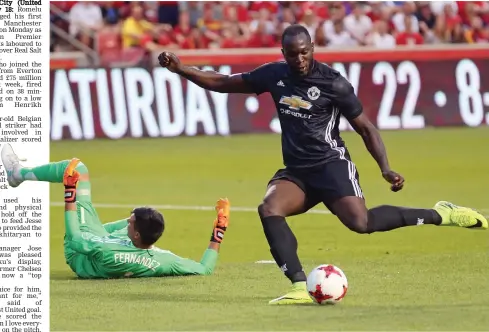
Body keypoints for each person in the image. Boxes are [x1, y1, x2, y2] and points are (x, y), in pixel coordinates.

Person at [158, 24, 487, 305]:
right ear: (283, 52)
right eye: (292, 54)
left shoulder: (335, 84)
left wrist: (385, 167)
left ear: (312, 48)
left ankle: (441, 213)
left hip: (331, 166)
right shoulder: (274, 75)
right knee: (269, 208)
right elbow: (222, 82)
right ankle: (300, 286)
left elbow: (366, 128)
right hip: (297, 172)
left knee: (362, 223)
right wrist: (181, 69)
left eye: (303, 52)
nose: (299, 59)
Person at [1, 143, 230, 279]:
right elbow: (203, 269)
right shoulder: (163, 259)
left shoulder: (108, 251)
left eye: (131, 221)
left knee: (77, 168)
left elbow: (76, 240)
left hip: (80, 255)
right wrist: (219, 230)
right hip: (99, 240)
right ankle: (20, 175)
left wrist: (70, 191)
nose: (128, 220)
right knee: (112, 225)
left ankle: (17, 174)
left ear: (137, 234)